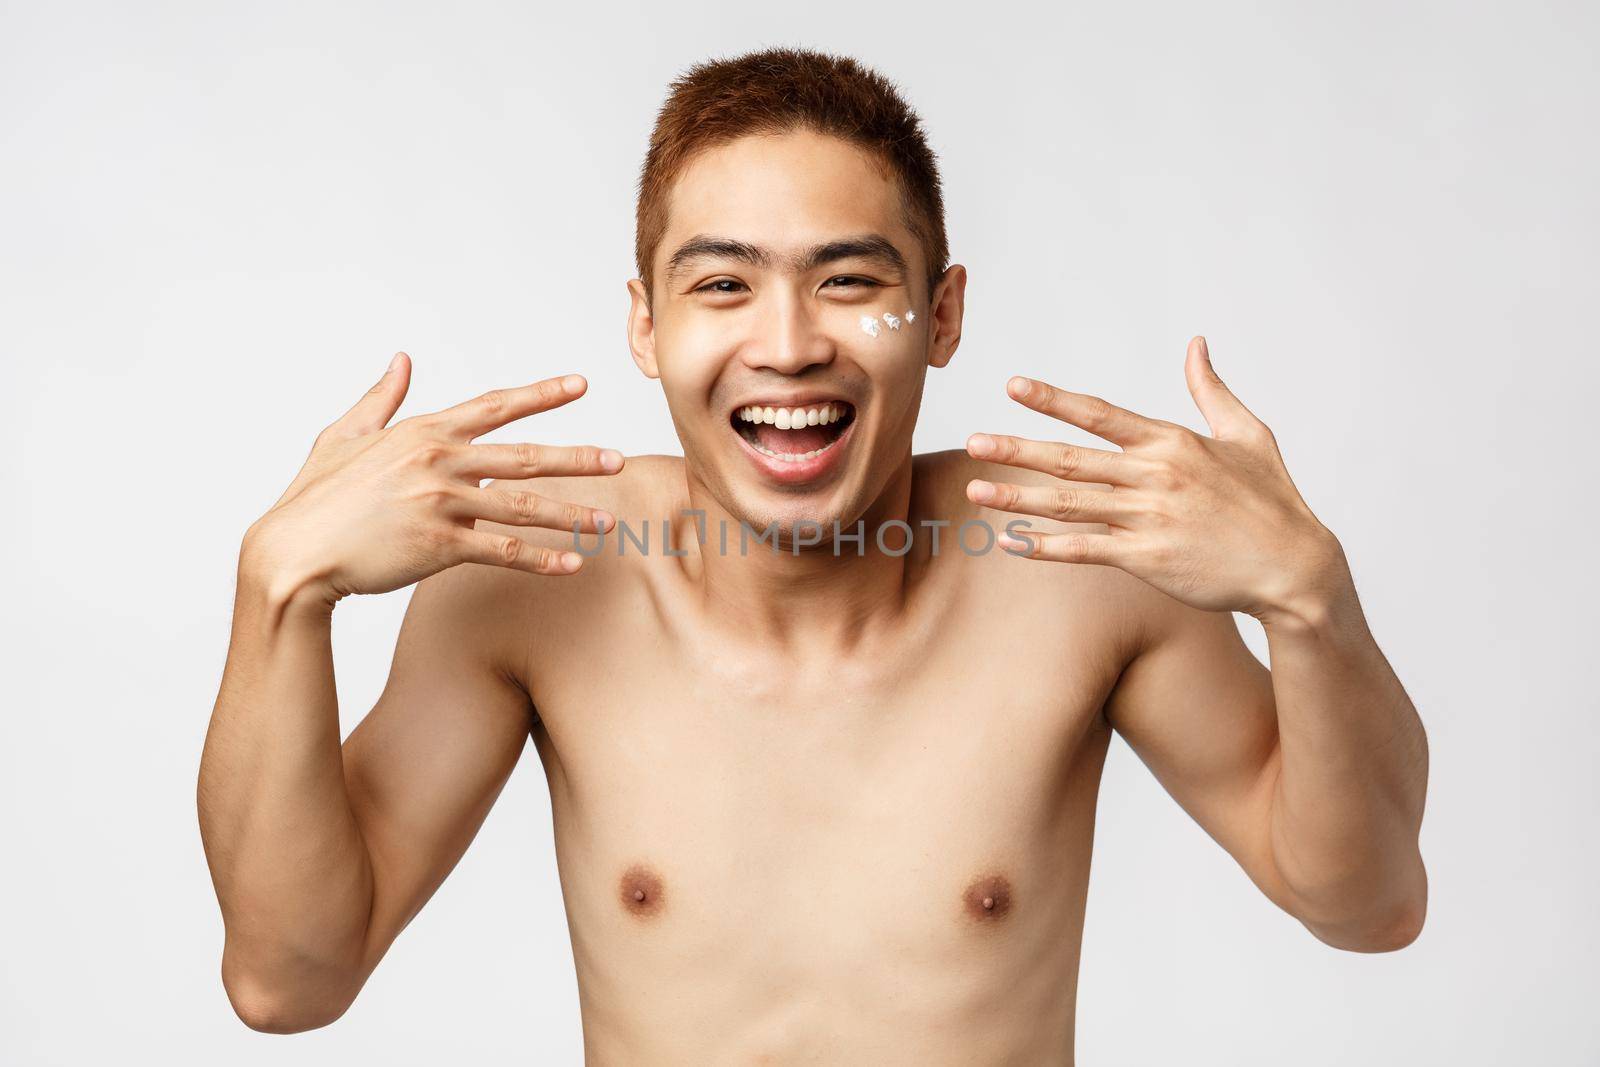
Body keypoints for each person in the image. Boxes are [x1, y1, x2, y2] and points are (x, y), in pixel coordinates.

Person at [198, 47, 1428, 1062]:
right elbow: (287, 978)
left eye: (850, 283)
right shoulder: (525, 574)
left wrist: (1311, 601)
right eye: (721, 283)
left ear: (940, 315)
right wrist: (278, 591)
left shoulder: (1078, 562)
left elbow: (1367, 902)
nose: (787, 345)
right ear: (645, 322)